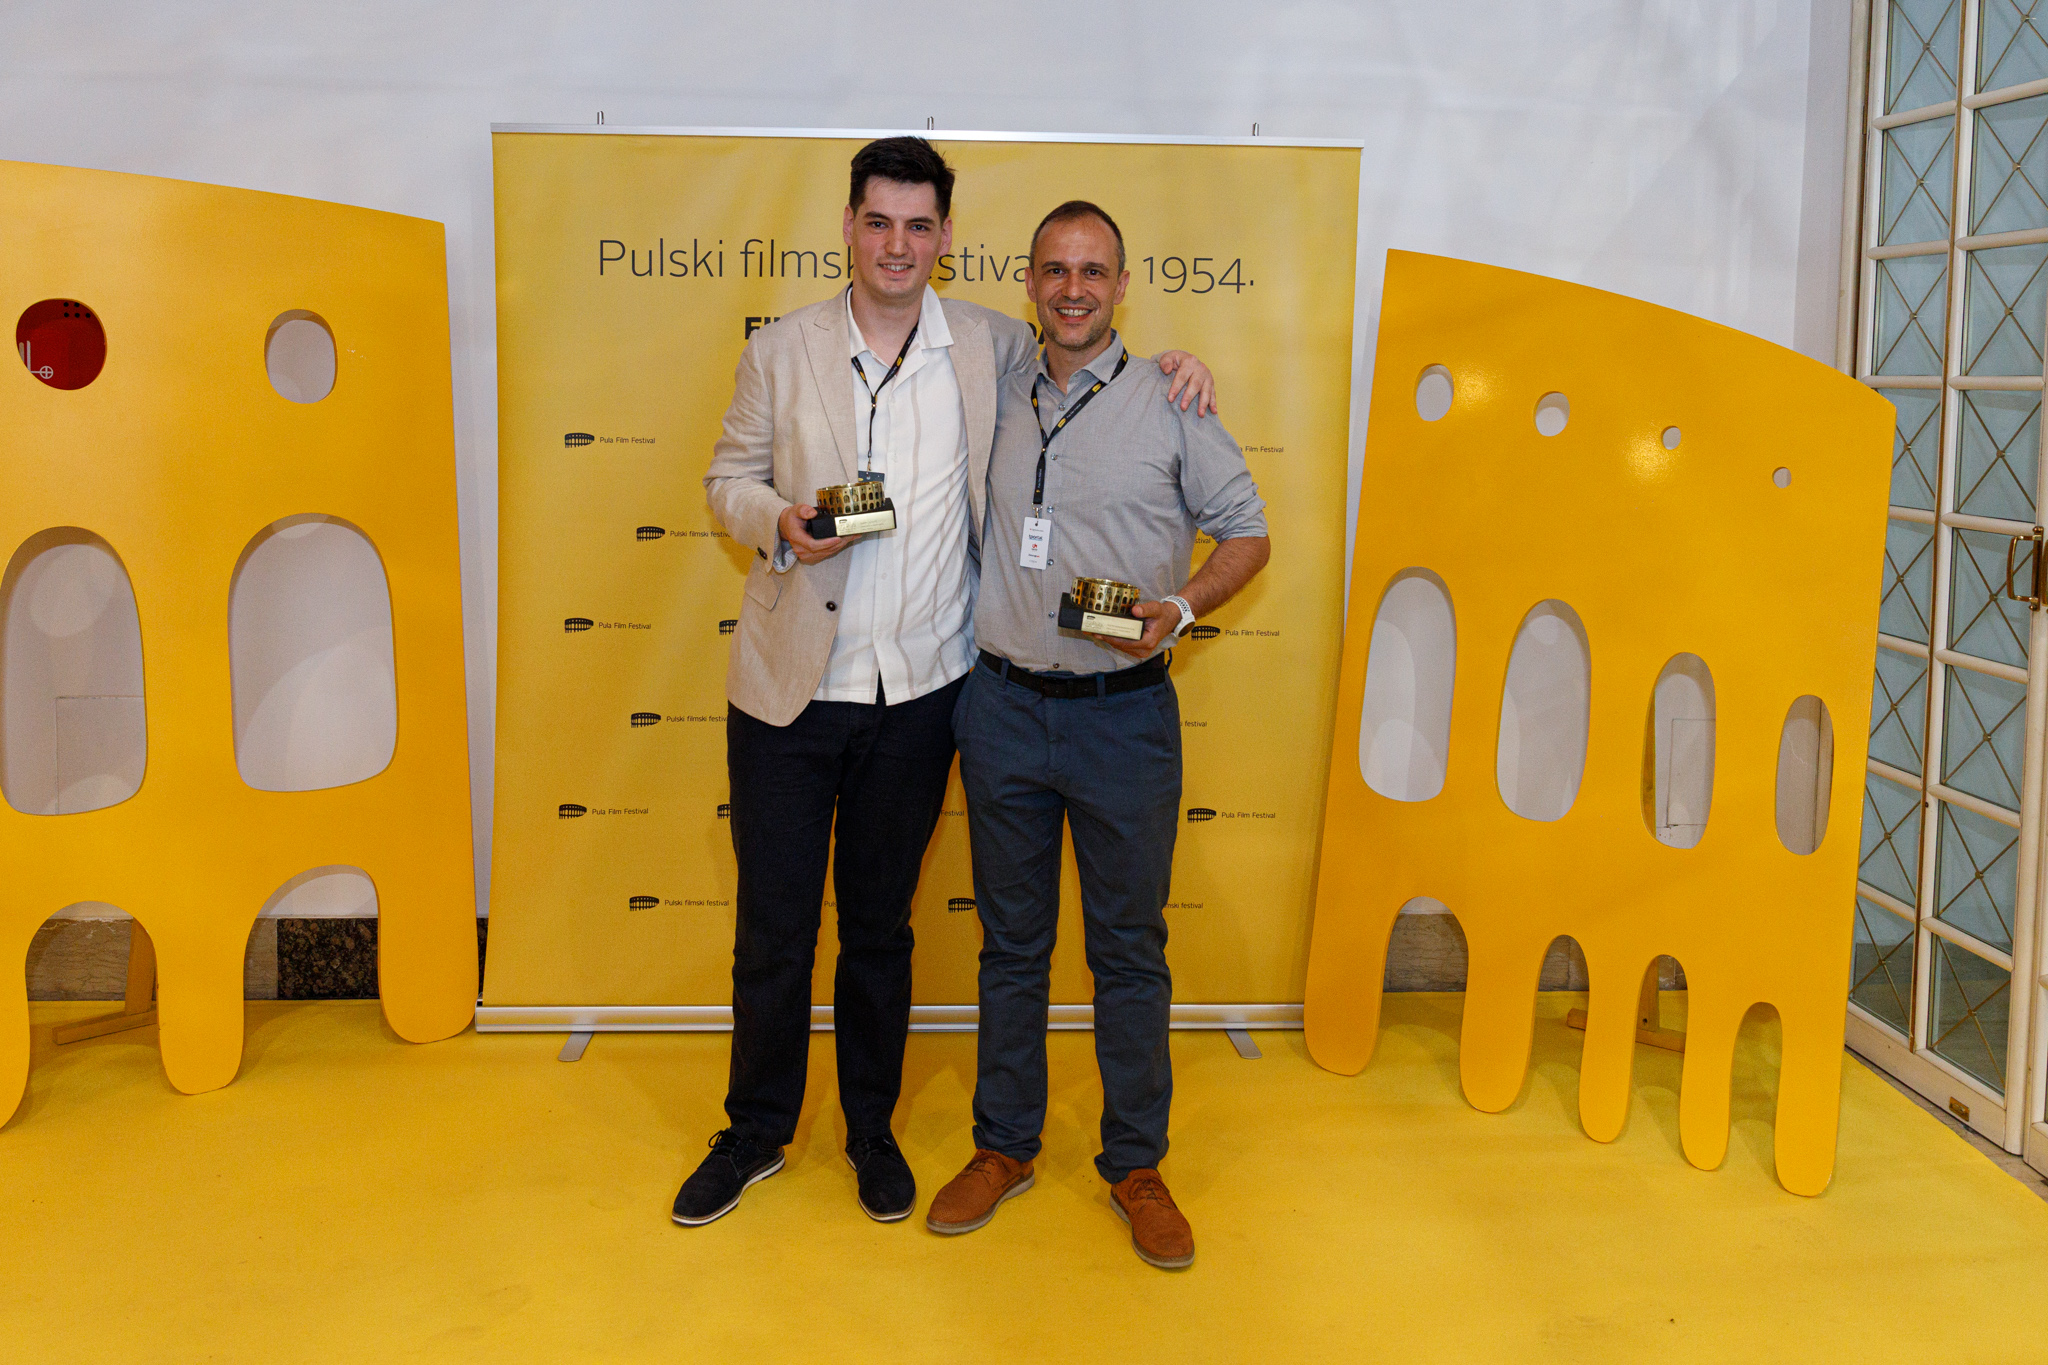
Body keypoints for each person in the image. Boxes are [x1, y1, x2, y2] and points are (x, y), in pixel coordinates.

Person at [683, 141, 1217, 1228]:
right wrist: (775, 520)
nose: (897, 245)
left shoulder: (990, 345)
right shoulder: (780, 350)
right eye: (878, 222)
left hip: (924, 694)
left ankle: (870, 1133)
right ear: (848, 227)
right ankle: (753, 1133)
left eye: (918, 226)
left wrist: (1179, 368)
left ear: (946, 239)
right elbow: (727, 477)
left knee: (880, 929)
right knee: (774, 930)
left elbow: (1089, 348)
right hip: (788, 693)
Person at [926, 200, 1270, 1269]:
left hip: (1124, 721)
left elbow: (1248, 530)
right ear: (1028, 282)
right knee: (1011, 947)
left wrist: (1183, 609)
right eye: (1054, 270)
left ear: (1121, 286)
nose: (1072, 289)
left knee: (1127, 950)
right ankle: (1004, 1146)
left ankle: (1135, 1165)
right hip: (1001, 711)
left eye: (1092, 271)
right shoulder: (991, 387)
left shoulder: (1172, 399)